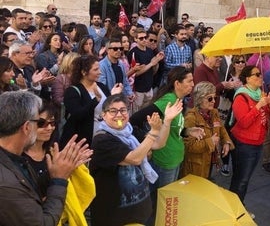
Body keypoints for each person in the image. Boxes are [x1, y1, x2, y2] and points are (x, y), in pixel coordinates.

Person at [0, 90, 91, 225]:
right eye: (39, 122)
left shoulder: (14, 160)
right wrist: (59, 180)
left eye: (53, 123)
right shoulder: (7, 185)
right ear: (26, 127)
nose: (49, 128)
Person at [90, 94, 183, 226]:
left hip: (140, 213)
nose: (119, 115)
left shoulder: (130, 132)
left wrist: (167, 121)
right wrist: (153, 133)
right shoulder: (101, 140)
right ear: (103, 115)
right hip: (114, 217)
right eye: (113, 111)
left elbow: (158, 144)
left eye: (123, 110)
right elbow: (135, 158)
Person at [229, 65, 270, 206]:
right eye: (256, 74)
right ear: (247, 78)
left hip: (258, 142)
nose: (260, 77)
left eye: (260, 74)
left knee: (246, 178)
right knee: (241, 179)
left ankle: (238, 206)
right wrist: (258, 106)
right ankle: (235, 209)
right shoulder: (241, 96)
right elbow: (243, 122)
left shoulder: (260, 93)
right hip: (245, 144)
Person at [60, 55, 120, 147]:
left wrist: (113, 96)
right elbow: (78, 115)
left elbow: (110, 110)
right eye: (95, 70)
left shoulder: (101, 86)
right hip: (82, 142)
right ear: (84, 72)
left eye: (99, 69)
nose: (99, 72)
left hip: (104, 137)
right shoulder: (72, 91)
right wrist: (95, 101)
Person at [182, 82, 234, 178]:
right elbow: (189, 146)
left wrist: (226, 141)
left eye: (215, 98)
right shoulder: (191, 118)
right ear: (200, 99)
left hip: (210, 160)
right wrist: (210, 141)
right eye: (210, 98)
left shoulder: (214, 112)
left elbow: (221, 128)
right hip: (196, 166)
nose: (214, 101)